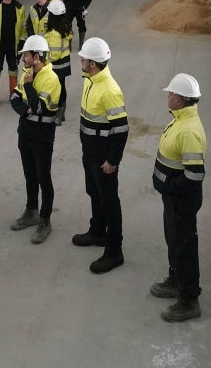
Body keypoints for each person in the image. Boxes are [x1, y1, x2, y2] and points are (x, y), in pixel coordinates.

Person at [151, 73, 207, 322]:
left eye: (171, 94)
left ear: (181, 101)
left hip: (181, 200)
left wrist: (168, 184)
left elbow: (195, 175)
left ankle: (189, 300)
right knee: (173, 240)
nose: (168, 96)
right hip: (173, 199)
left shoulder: (189, 130)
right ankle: (176, 280)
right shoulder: (179, 120)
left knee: (183, 245)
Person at [73, 36, 128, 274]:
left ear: (93, 63)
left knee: (109, 201)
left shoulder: (110, 90)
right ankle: (97, 231)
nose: (81, 60)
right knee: (94, 193)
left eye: (84, 58)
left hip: (103, 158)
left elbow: (121, 130)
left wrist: (112, 161)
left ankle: (114, 251)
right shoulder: (90, 80)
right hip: (90, 152)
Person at [8, 34, 63, 244]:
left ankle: (45, 220)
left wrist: (30, 88)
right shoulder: (27, 73)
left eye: (26, 56)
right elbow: (15, 99)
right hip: (26, 133)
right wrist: (27, 110)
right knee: (29, 175)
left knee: (43, 177)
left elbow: (40, 107)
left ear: (37, 56)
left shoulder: (51, 79)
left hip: (42, 137)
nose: (23, 59)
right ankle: (31, 211)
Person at [43, 0, 73, 124]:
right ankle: (61, 113)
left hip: (57, 65)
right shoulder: (65, 28)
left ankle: (58, 115)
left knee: (57, 89)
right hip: (64, 64)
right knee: (62, 87)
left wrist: (44, 59)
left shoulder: (55, 33)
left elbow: (54, 54)